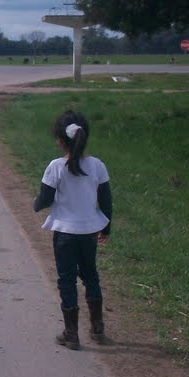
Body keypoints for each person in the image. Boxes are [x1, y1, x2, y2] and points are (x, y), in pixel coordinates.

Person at [33, 110, 112, 350]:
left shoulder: (56, 166)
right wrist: (106, 228)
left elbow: (45, 199)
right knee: (91, 275)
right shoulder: (97, 165)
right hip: (89, 232)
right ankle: (97, 328)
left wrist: (36, 204)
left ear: (59, 140)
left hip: (65, 234)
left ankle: (71, 333)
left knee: (66, 280)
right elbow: (106, 200)